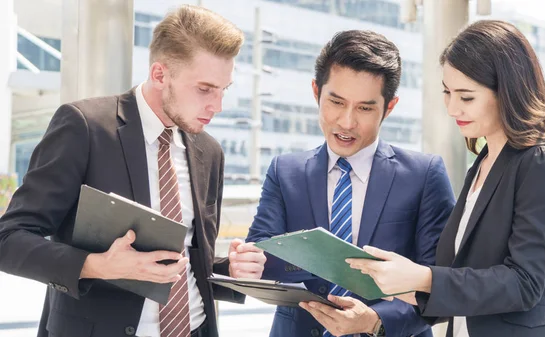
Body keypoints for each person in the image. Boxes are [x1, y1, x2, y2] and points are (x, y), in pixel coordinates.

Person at [0, 5, 266, 337]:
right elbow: (9, 239)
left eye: (223, 90)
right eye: (204, 89)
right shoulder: (85, 127)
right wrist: (96, 265)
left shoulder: (208, 151)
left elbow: (187, 259)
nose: (217, 105)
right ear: (159, 75)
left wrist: (232, 269)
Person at [348, 20, 545, 337]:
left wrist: (422, 277)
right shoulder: (483, 163)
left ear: (507, 92)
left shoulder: (538, 163)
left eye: (466, 97)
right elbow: (463, 285)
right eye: (447, 93)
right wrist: (386, 293)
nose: (452, 108)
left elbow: (523, 284)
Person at [245, 30, 456, 337]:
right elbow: (263, 262)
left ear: (390, 107)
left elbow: (440, 286)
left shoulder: (424, 176)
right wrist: (248, 262)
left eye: (365, 108)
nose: (346, 122)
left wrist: (374, 319)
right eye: (336, 102)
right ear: (316, 92)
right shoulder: (285, 171)